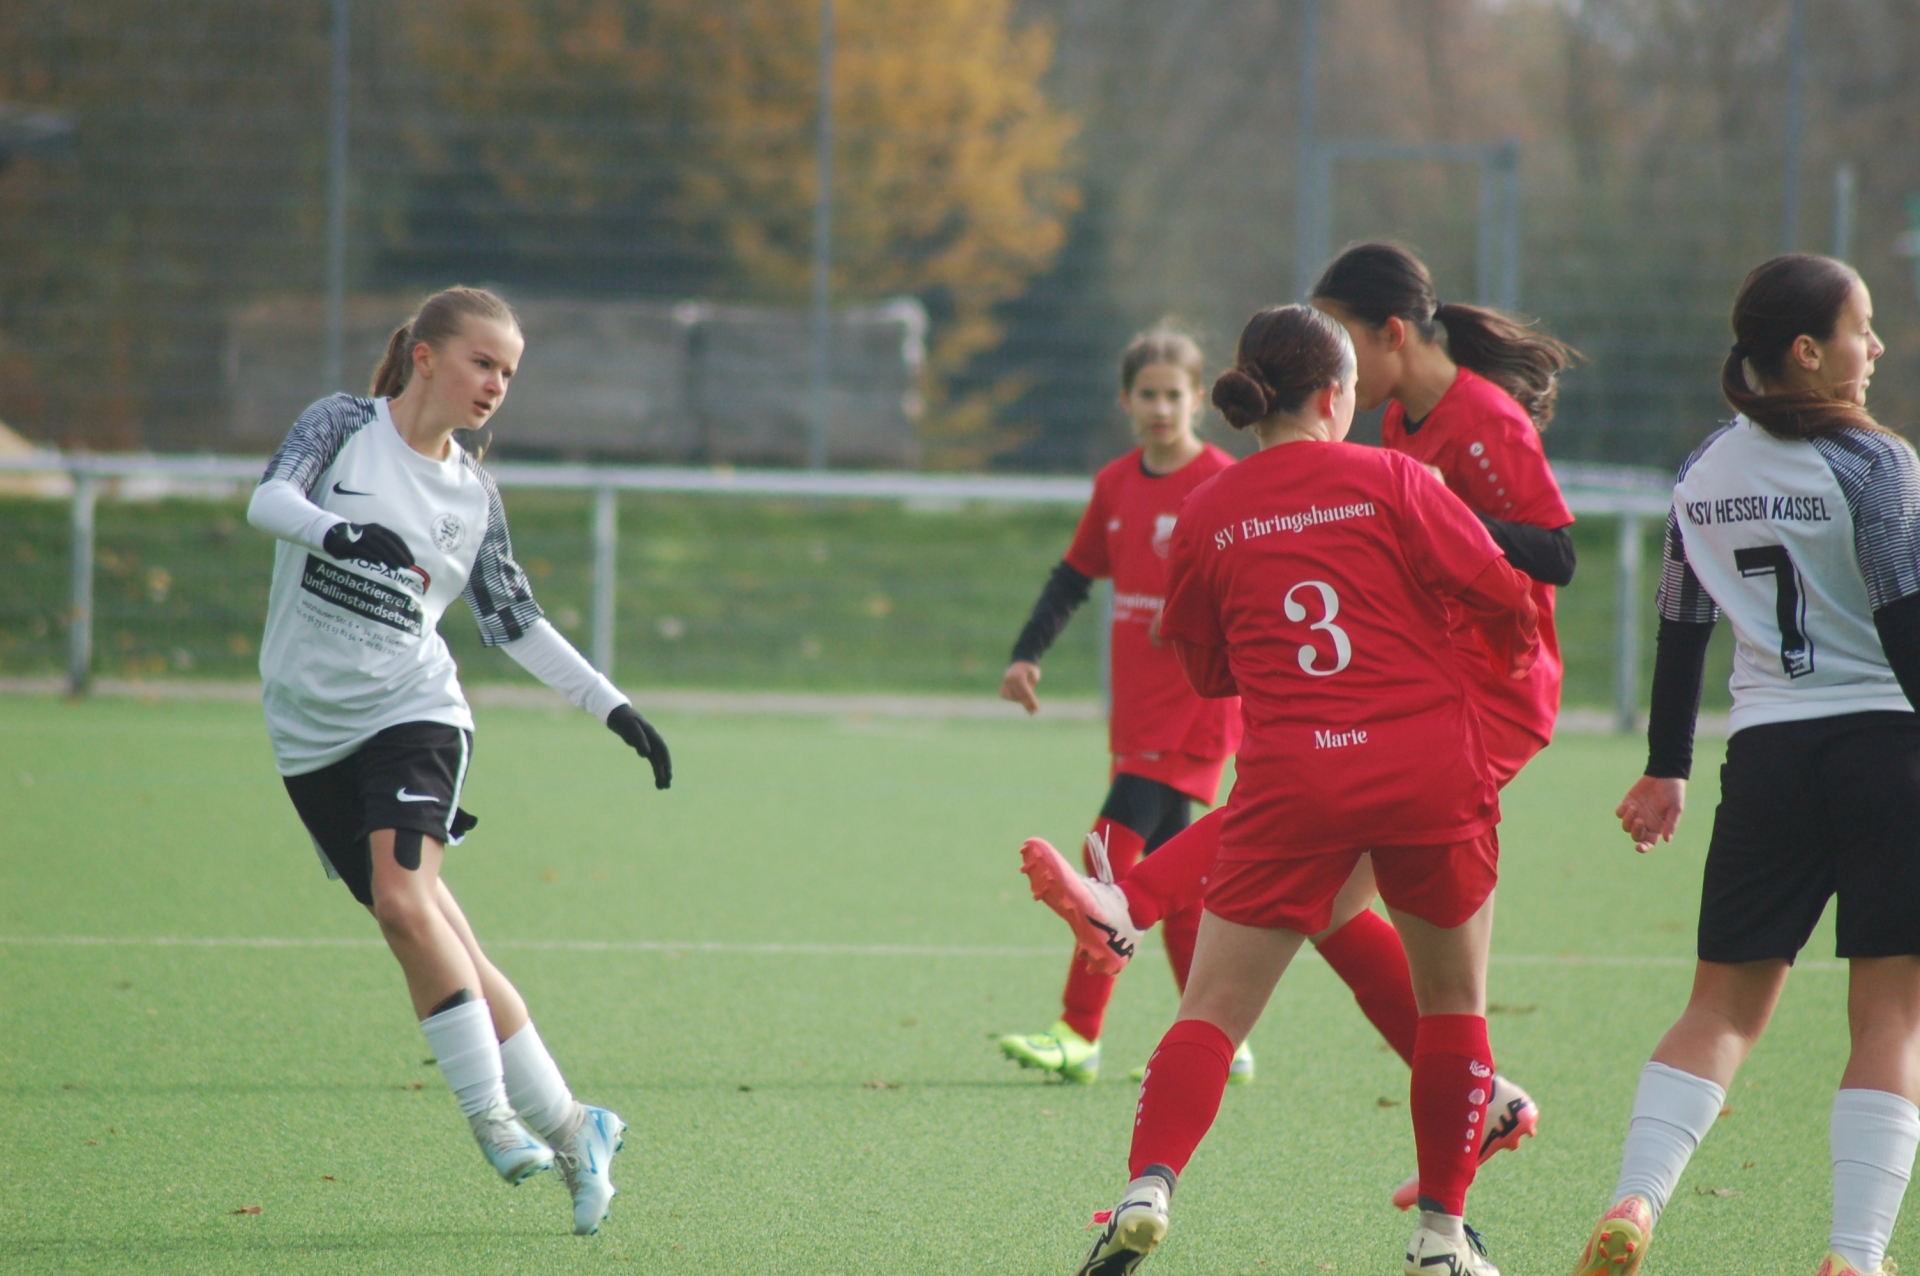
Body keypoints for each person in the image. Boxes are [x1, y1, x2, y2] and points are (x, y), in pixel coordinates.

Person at [1024, 240, 1575, 1206]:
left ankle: (1130, 906)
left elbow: (1547, 562)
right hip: (1397, 707)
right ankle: (1476, 1126)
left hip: (1474, 699)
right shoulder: (1390, 436)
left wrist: (1428, 559)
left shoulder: (1465, 427)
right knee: (1330, 906)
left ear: (1387, 337)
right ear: (1335, 390)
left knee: (1302, 817)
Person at [245, 286, 673, 1237]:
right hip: (309, 737)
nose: (495, 386)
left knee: (403, 904)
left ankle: (493, 1120)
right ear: (426, 357)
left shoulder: (473, 495)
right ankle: (577, 1126)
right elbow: (267, 500)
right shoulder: (342, 425)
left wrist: (614, 708)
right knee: (444, 940)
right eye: (483, 363)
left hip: (416, 714)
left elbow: (513, 622)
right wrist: (337, 529)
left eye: (508, 374)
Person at [1575, 256, 1917, 1276]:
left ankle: (1636, 1199)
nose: (1876, 346)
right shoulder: (1877, 465)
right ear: (1808, 351)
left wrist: (1666, 766)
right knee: (1892, 1014)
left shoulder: (1703, 471)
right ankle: (1853, 1256)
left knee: (1719, 1009)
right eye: (1861, 328)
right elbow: (1906, 627)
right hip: (1889, 754)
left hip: (1766, 760)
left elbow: (1682, 629)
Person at [993, 327, 1250, 1085]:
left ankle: (1079, 1032)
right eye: (1148, 395)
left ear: (1198, 400)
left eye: (1175, 394)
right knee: (1181, 887)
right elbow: (1073, 577)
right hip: (1137, 712)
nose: (1161, 407)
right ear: (1126, 400)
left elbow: (1251, 584)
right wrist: (1026, 653)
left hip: (1197, 705)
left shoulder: (1222, 481)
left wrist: (1198, 618)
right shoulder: (1115, 483)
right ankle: (1222, 1036)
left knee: (1105, 857)